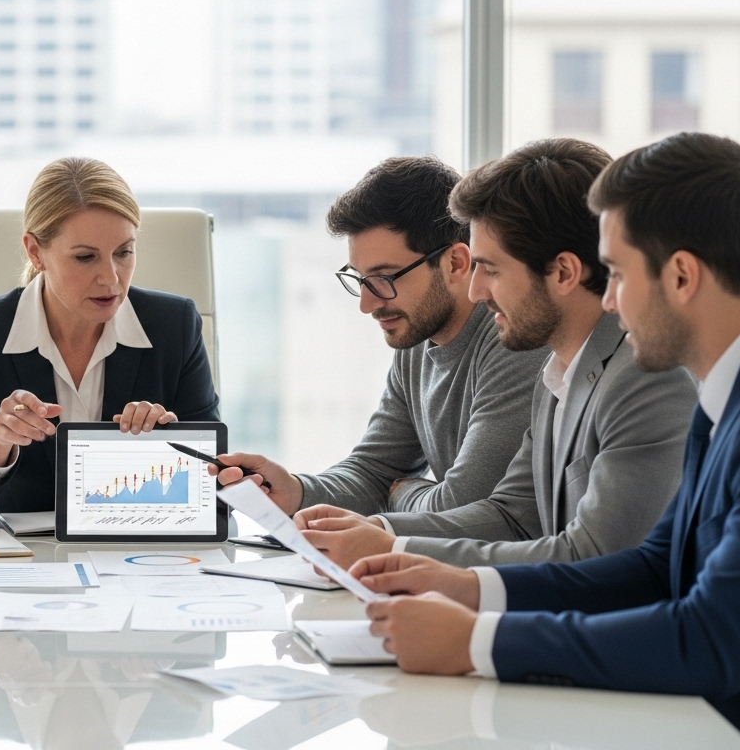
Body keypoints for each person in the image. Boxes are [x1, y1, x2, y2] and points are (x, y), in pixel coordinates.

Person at [353, 133, 740, 750]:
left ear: (682, 276)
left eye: (617, 274)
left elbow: (712, 640)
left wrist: (476, 642)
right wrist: (465, 587)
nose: (606, 299)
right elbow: (653, 568)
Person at [287, 139, 697, 569]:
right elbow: (512, 517)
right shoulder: (558, 373)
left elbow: (595, 561)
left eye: (492, 270)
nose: (477, 290)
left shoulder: (646, 378)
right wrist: (381, 536)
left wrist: (396, 544)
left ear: (563, 273)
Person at [210, 157, 547, 521]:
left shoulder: (513, 341)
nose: (368, 304)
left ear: (455, 263)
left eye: (384, 278)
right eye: (360, 280)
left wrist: (405, 492)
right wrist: (296, 491)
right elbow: (373, 472)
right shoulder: (416, 339)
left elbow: (462, 509)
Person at [0, 157, 220, 516]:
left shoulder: (174, 326)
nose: (111, 279)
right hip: (25, 564)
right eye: (85, 257)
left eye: (124, 253)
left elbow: (219, 495)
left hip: (136, 560)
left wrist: (171, 446)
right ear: (35, 251)